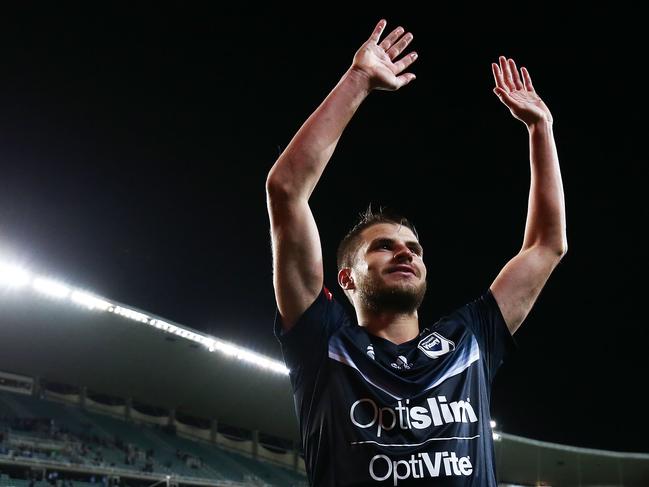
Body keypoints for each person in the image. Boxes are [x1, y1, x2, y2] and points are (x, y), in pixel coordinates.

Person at [265, 19, 566, 487]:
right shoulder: (323, 342)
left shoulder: (469, 340)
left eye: (414, 248)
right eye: (383, 247)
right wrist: (358, 80)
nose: (405, 254)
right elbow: (285, 190)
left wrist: (540, 129)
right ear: (345, 279)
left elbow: (547, 246)